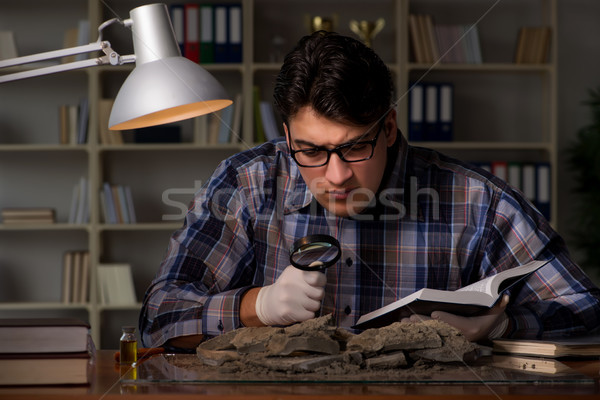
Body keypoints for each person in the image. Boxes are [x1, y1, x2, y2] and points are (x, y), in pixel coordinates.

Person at [139, 31, 600, 350]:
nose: (336, 176)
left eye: (355, 147)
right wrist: (255, 305)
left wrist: (502, 322)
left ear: (390, 128)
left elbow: (585, 306)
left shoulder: (476, 201)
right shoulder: (247, 182)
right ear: (286, 134)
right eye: (311, 151)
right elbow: (158, 318)